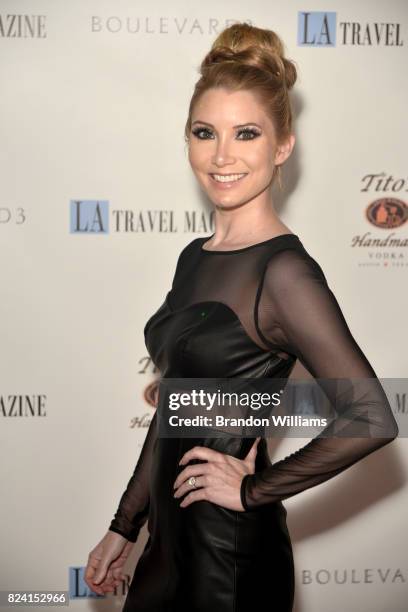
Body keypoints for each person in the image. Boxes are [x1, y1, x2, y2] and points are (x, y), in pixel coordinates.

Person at [84, 22, 398, 611]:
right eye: (206, 133)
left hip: (228, 559)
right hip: (168, 545)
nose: (222, 155)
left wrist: (254, 490)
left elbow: (372, 416)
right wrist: (125, 526)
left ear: (282, 147)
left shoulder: (283, 273)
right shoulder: (194, 257)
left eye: (246, 134)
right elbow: (180, 405)